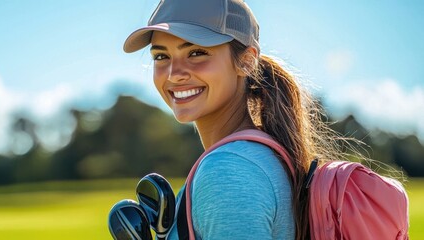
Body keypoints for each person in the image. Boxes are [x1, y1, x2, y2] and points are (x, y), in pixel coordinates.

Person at [122, 0, 349, 239]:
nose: (174, 74)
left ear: (247, 61)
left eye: (197, 52)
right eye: (161, 56)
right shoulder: (260, 154)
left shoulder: (227, 169)